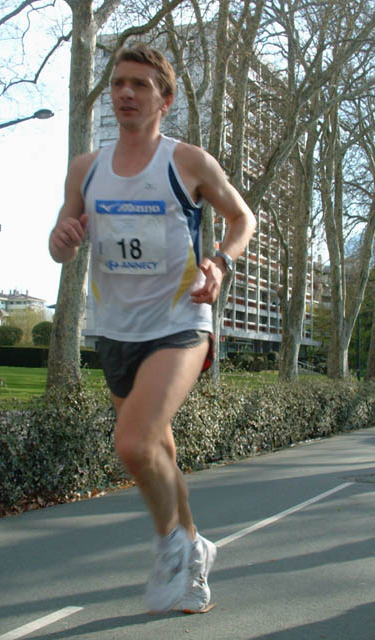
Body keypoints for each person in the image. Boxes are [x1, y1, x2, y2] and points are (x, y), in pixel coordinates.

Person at [49, 43, 256, 614]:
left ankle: (170, 545)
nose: (125, 93)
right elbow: (60, 240)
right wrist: (63, 239)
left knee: (134, 442)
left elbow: (243, 217)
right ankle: (194, 552)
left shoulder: (186, 161)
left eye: (140, 84)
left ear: (164, 100)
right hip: (115, 329)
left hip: (181, 320)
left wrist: (221, 262)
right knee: (157, 447)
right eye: (118, 83)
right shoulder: (86, 169)